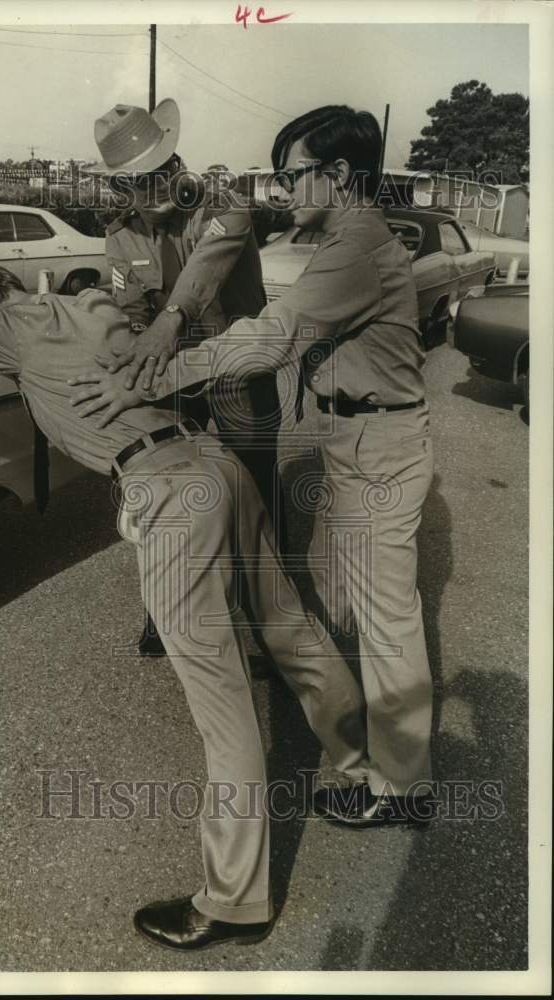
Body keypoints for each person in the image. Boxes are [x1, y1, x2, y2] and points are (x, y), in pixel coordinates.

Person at [0, 262, 369, 951]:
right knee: (288, 626)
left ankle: (236, 899)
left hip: (169, 493)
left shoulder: (1, 325)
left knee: (221, 701)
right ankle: (364, 768)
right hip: (217, 465)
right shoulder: (93, 305)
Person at [68, 105, 436, 828]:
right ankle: (386, 766)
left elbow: (268, 337)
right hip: (356, 438)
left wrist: (151, 373)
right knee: (374, 610)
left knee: (383, 618)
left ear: (336, 175)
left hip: (359, 435)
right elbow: (131, 304)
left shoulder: (335, 239)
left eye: (293, 175)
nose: (281, 190)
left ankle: (401, 789)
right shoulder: (344, 236)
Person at [93, 99, 290, 656]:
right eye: (139, 181)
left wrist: (169, 320)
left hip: (235, 374)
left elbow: (201, 276)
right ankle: (170, 604)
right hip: (173, 379)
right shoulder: (121, 237)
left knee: (256, 498)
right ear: (121, 189)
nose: (155, 187)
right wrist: (126, 345)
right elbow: (128, 310)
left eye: (162, 170)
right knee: (173, 495)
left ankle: (274, 628)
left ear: (177, 161)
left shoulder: (223, 207)